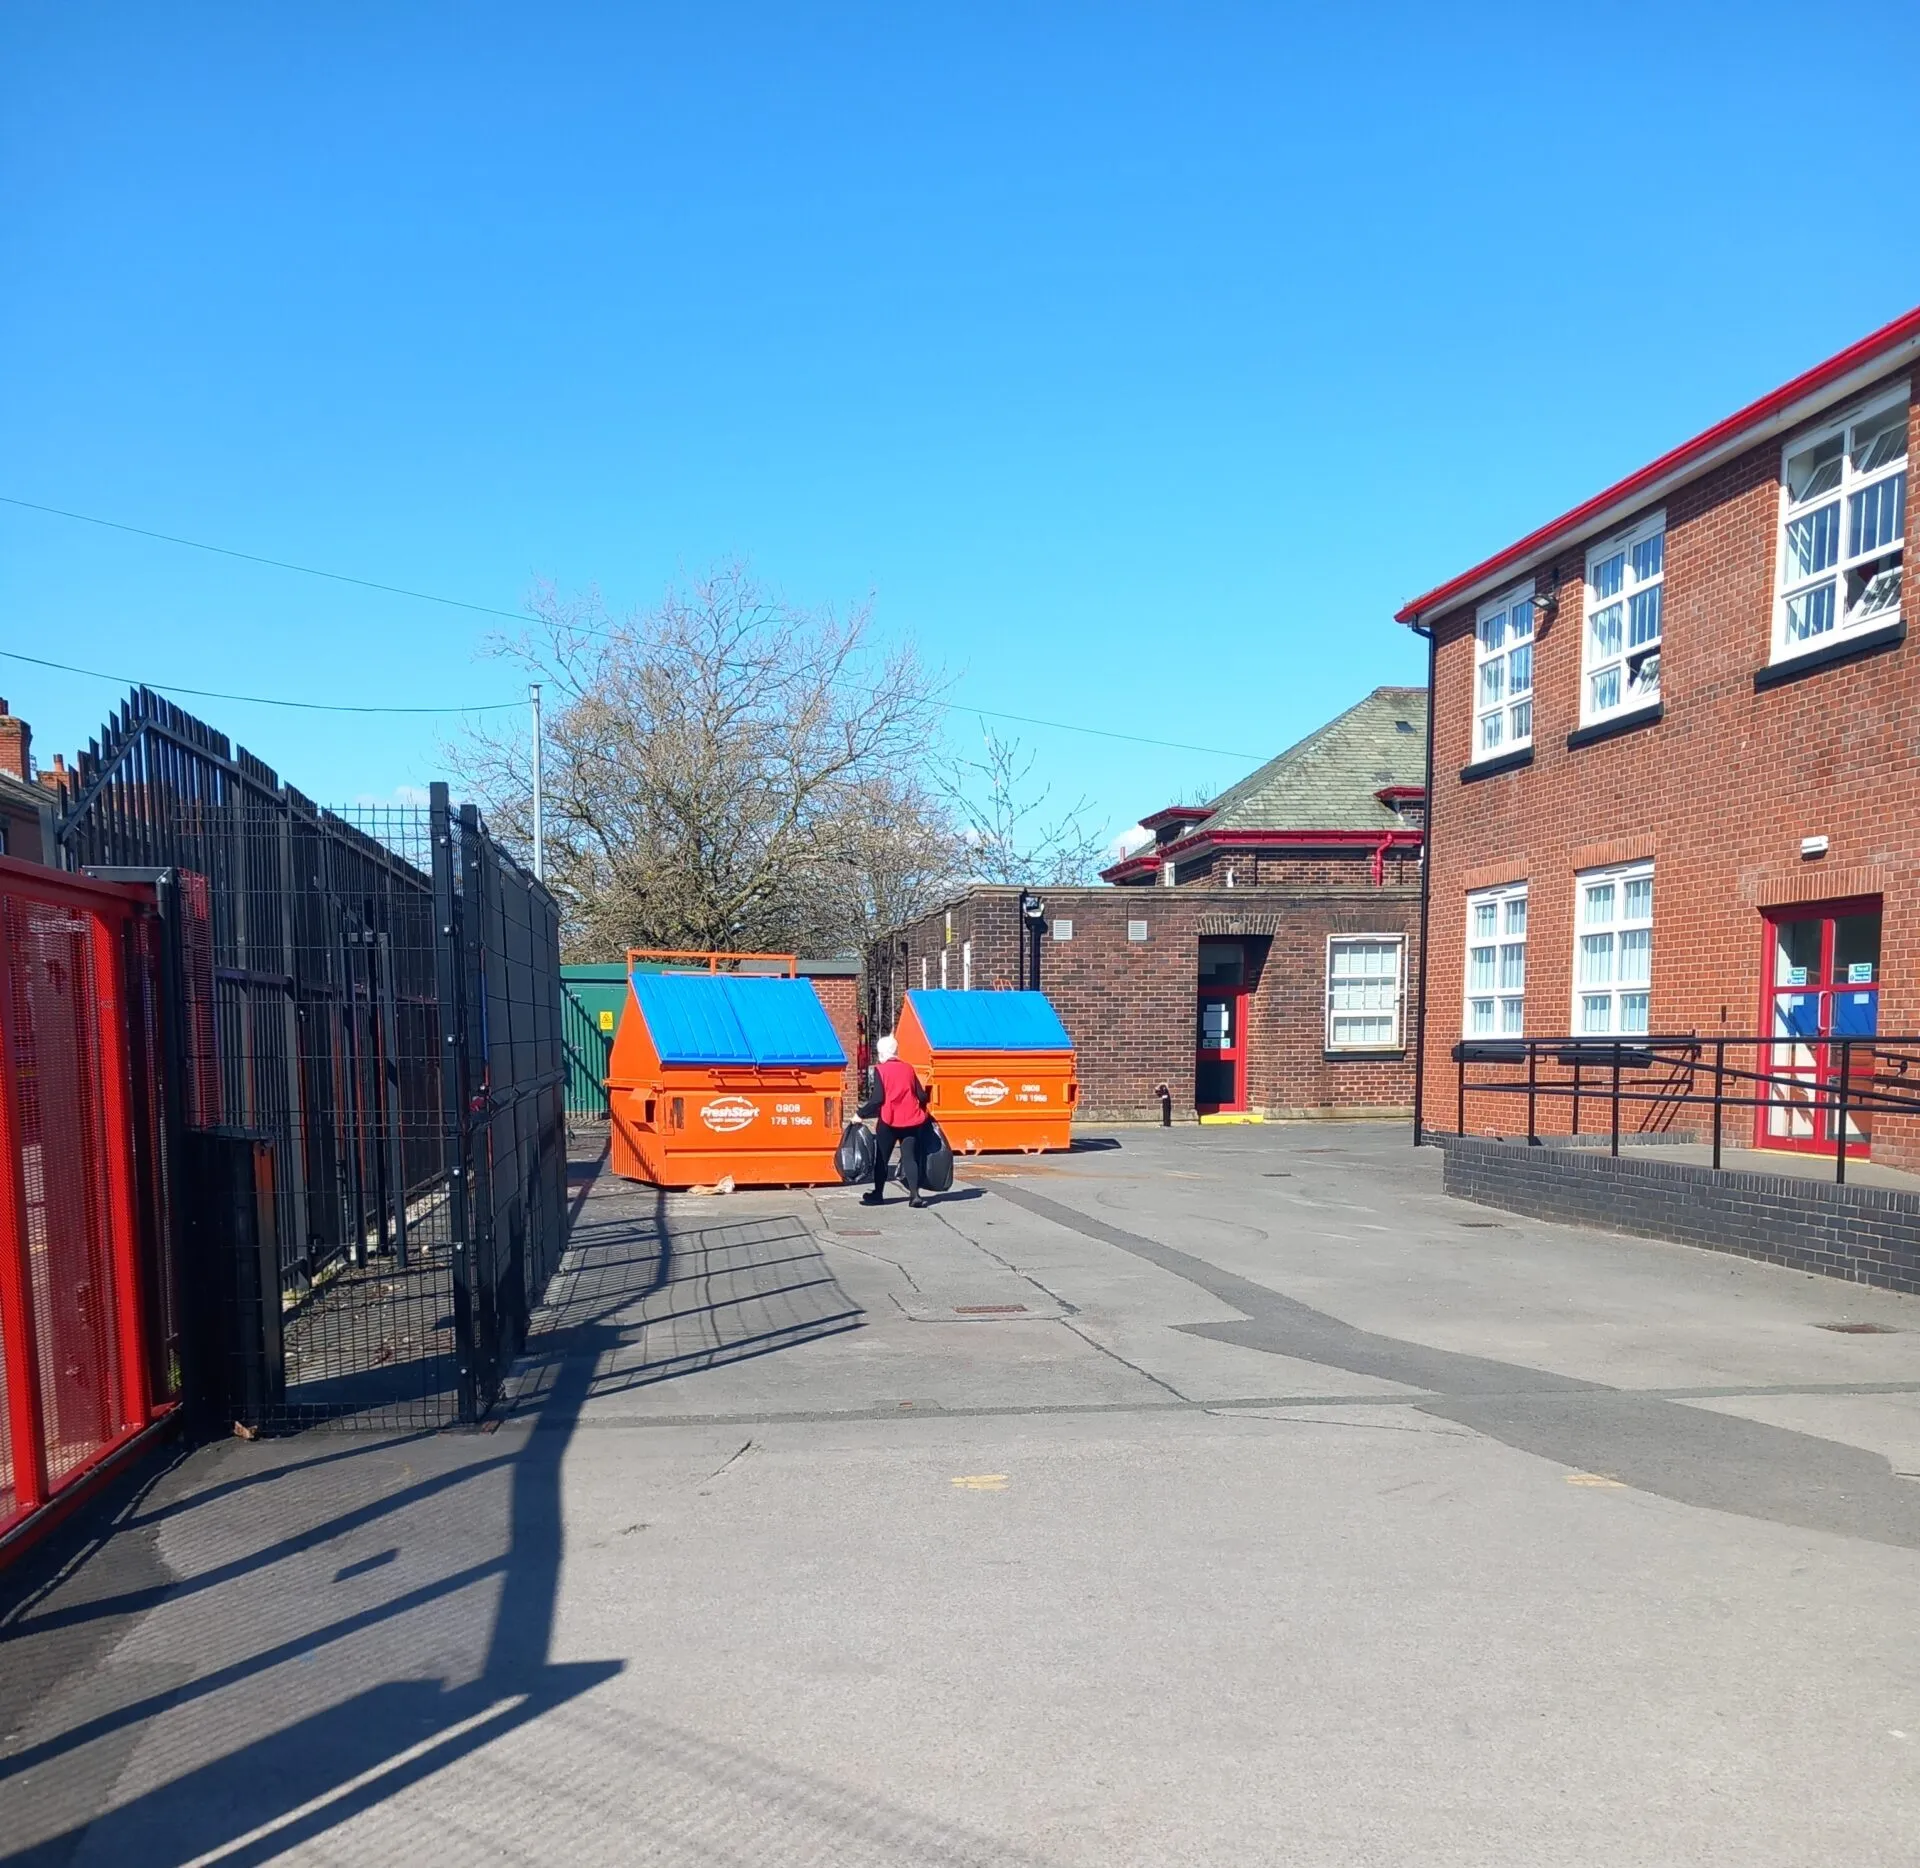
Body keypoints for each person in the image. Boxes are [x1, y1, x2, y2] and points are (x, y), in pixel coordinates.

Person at [862, 1033, 932, 1208]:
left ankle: (878, 1194)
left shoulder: (881, 1070)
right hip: (911, 1120)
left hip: (888, 1120)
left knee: (882, 1159)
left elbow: (877, 1099)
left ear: (881, 1052)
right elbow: (922, 1095)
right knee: (910, 1158)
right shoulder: (908, 1068)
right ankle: (914, 1195)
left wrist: (860, 1114)